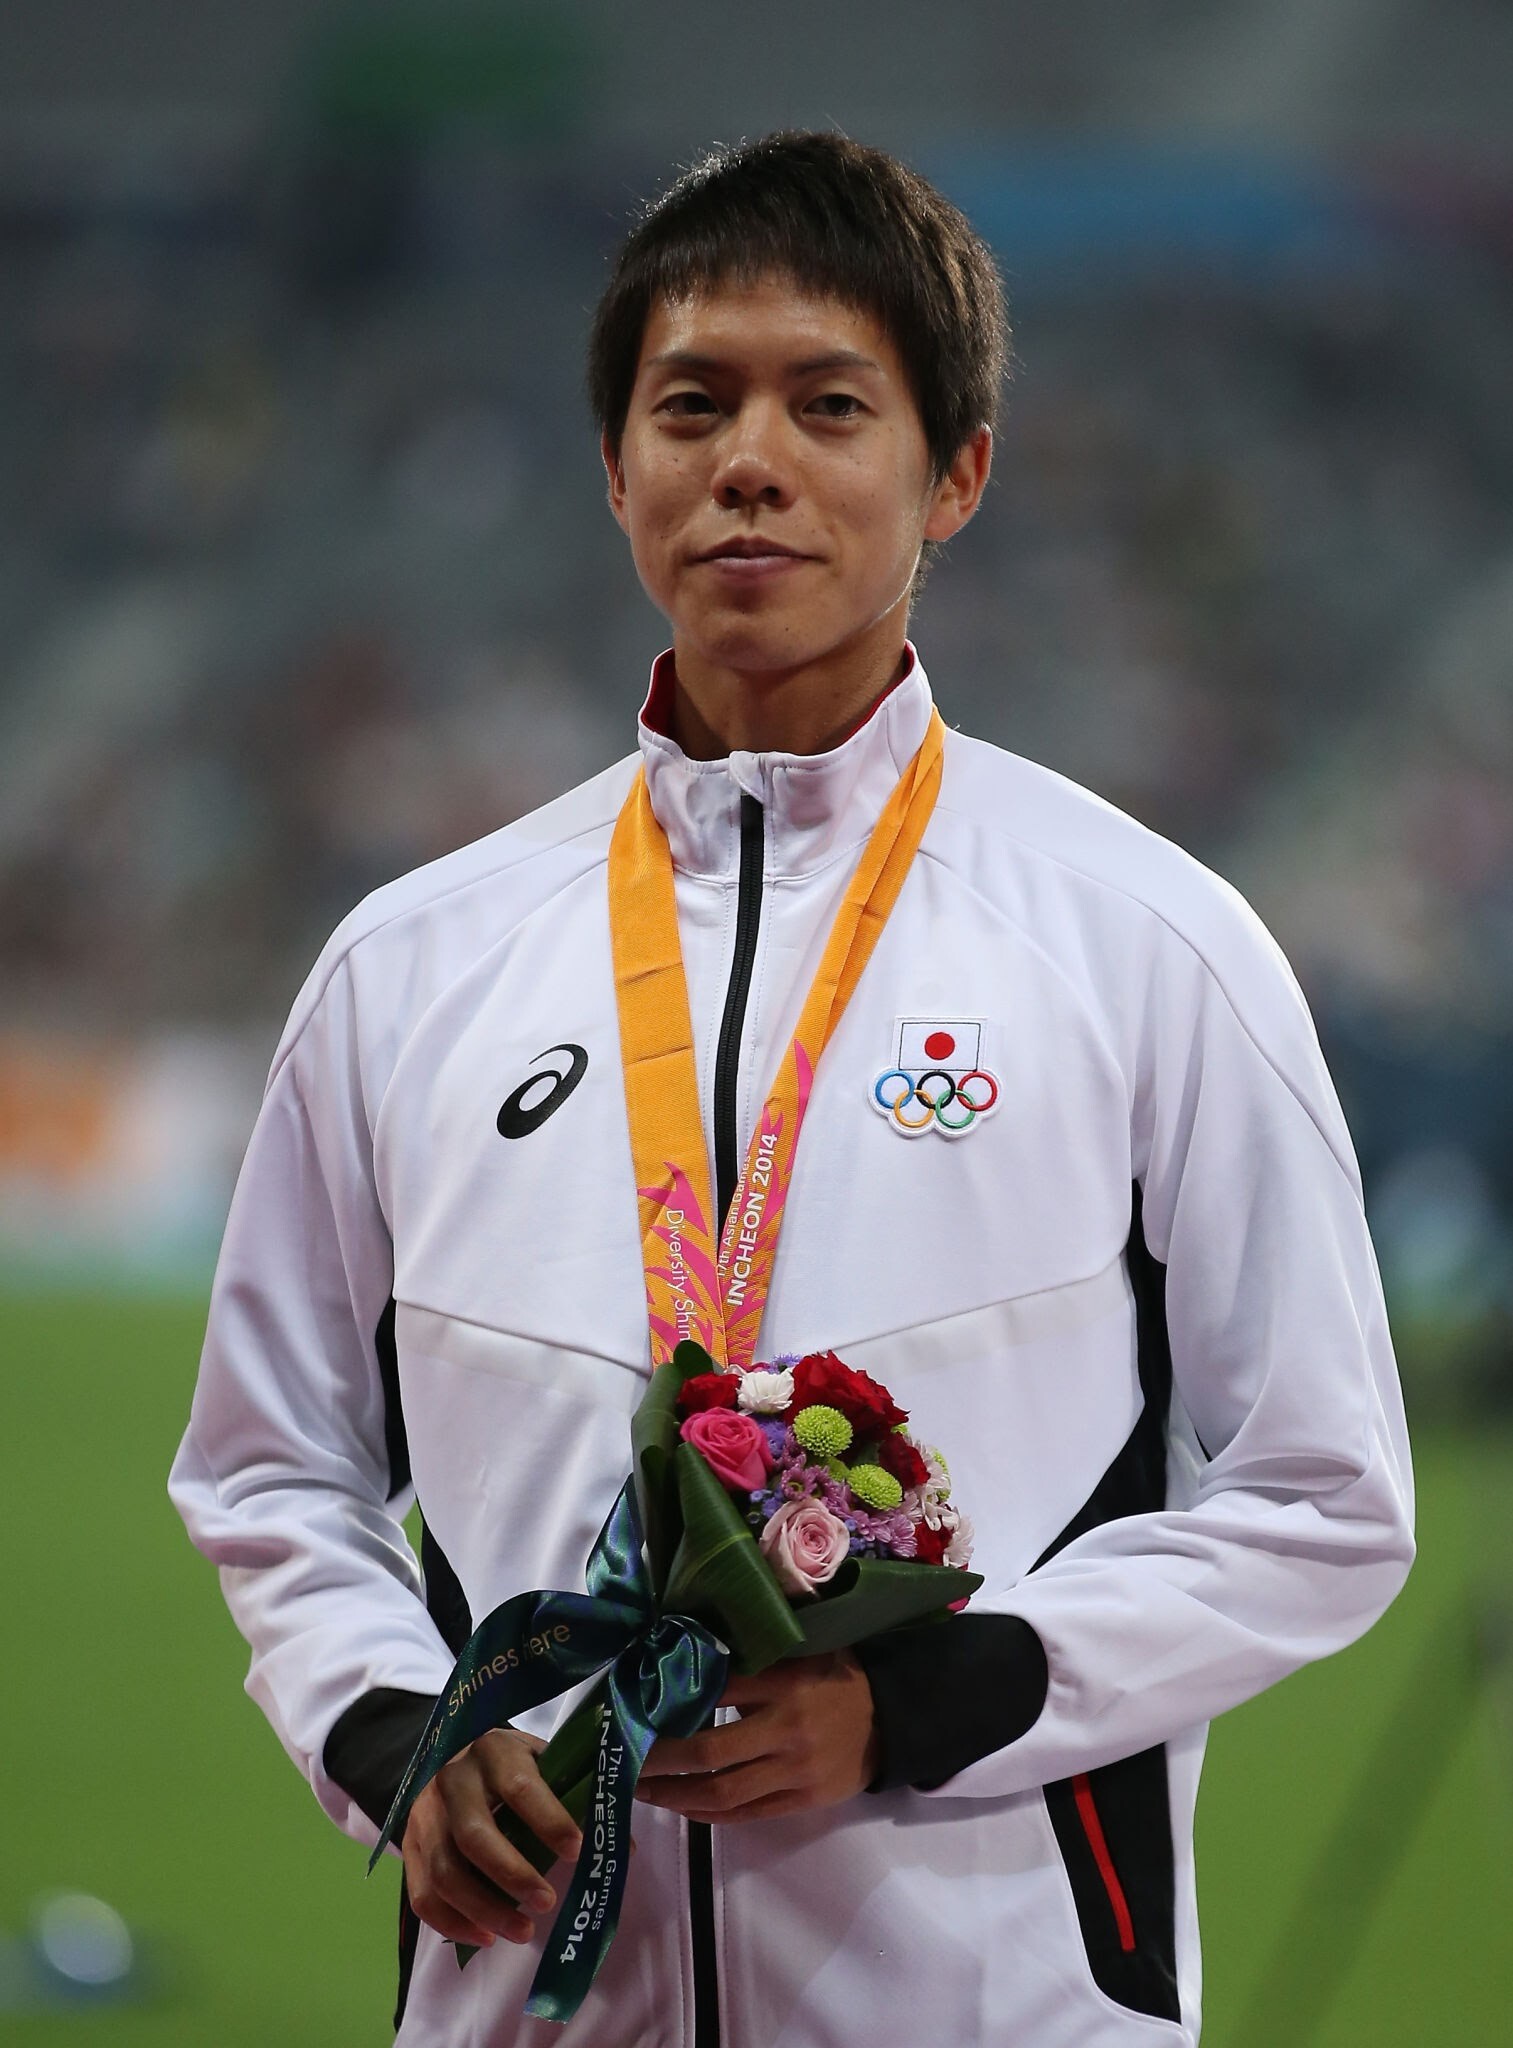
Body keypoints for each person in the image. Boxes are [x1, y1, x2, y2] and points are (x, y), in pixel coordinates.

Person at [170, 132, 1414, 2047]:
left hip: (996, 2003)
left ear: (956, 474)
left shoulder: (1147, 943)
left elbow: (1322, 1498)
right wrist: (392, 1730)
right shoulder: (408, 967)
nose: (749, 457)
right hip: (535, 1998)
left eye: (829, 403)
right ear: (617, 472)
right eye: (693, 403)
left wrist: (927, 1700)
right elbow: (270, 1463)